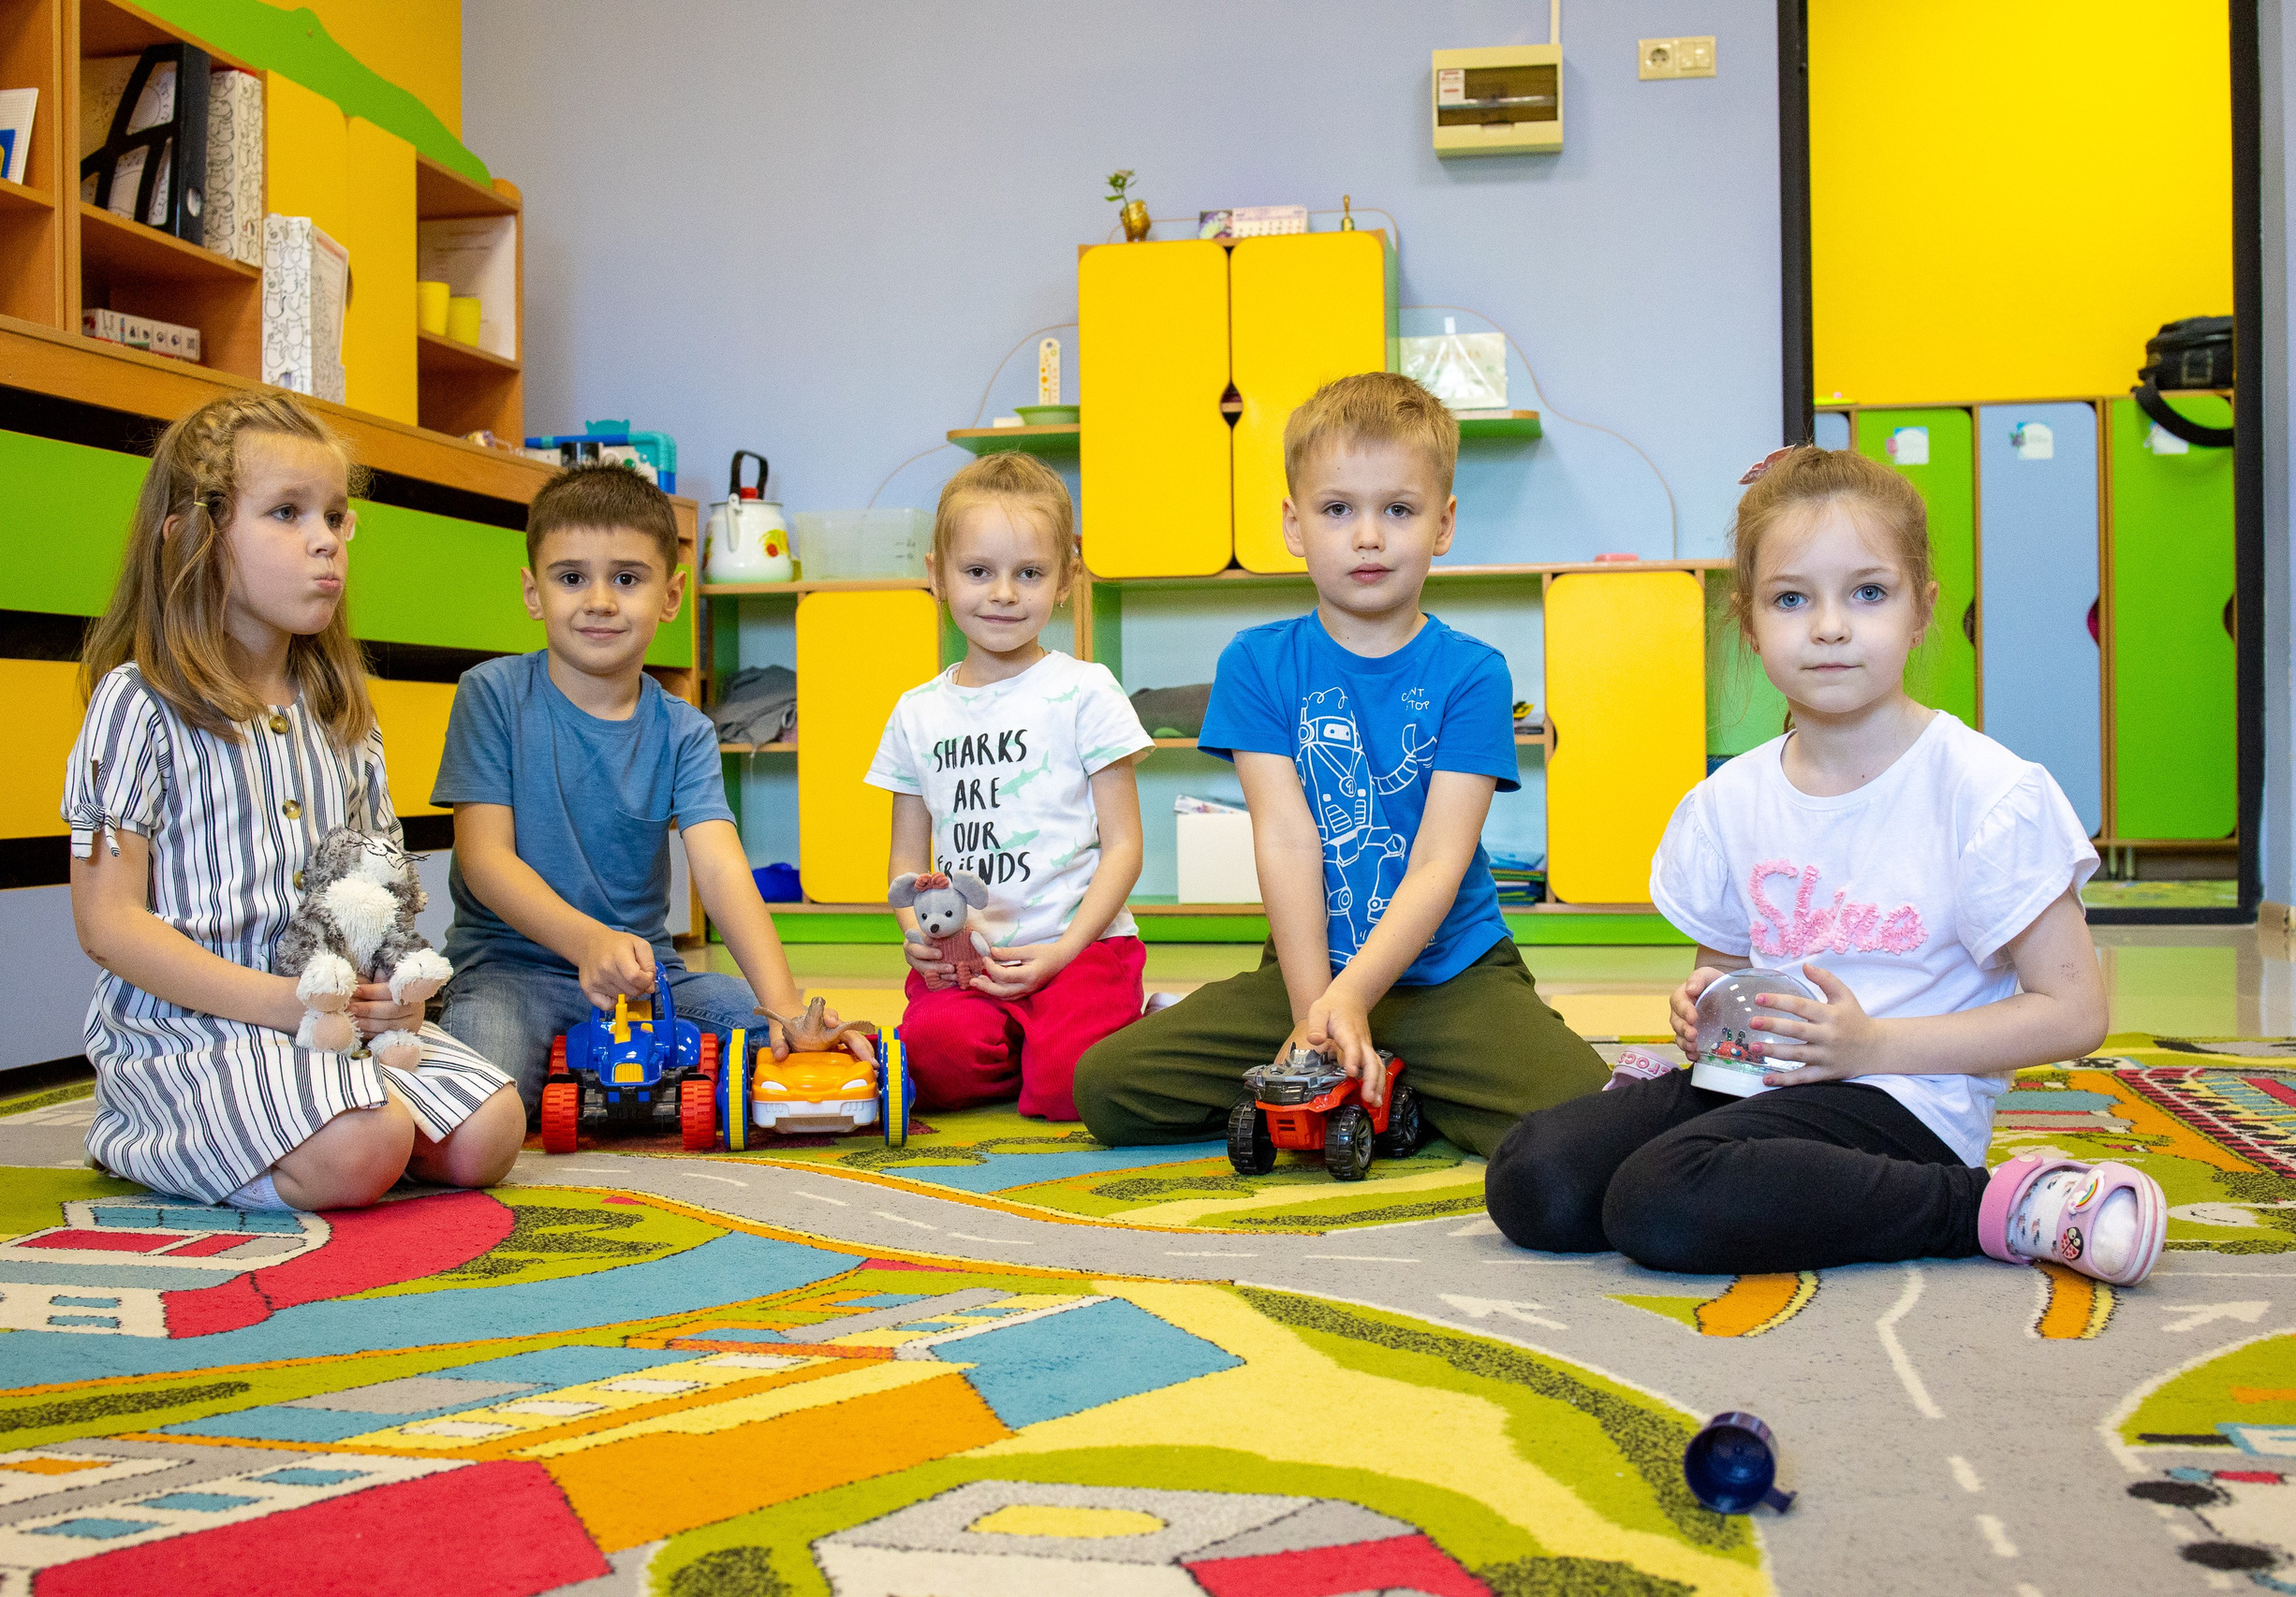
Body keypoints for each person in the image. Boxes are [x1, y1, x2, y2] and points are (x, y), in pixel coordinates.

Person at [1486, 445, 2165, 1286]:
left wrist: (1871, 1042)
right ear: (1749, 621)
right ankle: (1731, 1168)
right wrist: (1704, 1014)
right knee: (1535, 1178)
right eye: (1792, 598)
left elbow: (2074, 1014)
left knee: (1660, 1200)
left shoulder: (1987, 793)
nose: (1830, 626)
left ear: (1922, 611)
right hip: (1761, 1086)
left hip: (1905, 1097)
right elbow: (1726, 988)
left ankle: (1992, 1204)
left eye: (1868, 593)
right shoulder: (1729, 802)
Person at [1074, 372, 1609, 1155]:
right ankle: (1379, 1072)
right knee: (1107, 1089)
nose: (1368, 537)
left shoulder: (1474, 673)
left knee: (1581, 1124)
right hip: (1302, 968)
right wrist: (1313, 1016)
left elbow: (1437, 859)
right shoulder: (1257, 663)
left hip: (1451, 977)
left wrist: (1358, 994)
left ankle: (1401, 1074)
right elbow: (1286, 841)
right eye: (1337, 510)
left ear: (1444, 523)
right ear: (1294, 524)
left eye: (1398, 509)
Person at [66, 391, 522, 1211]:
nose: (327, 542)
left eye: (337, 517)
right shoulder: (139, 704)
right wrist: (282, 1005)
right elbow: (108, 925)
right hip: (191, 1030)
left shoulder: (339, 713)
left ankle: (314, 1122)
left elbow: (380, 893)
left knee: (492, 1131)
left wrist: (393, 996)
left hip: (332, 1019)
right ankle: (144, 1132)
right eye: (287, 513)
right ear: (191, 538)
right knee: (367, 1143)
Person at [434, 464, 860, 1121]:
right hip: (507, 973)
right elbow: (487, 863)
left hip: (648, 983)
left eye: (626, 579)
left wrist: (782, 1005)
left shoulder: (684, 729)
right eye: (572, 577)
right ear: (533, 591)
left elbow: (718, 869)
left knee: (771, 1052)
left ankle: (591, 1092)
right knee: (468, 1109)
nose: (600, 601)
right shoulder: (490, 696)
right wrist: (587, 944)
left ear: (671, 596)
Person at [870, 452, 1151, 1118]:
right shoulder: (917, 712)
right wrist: (920, 938)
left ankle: (1108, 1032)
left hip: (1084, 949)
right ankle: (1023, 1046)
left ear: (1066, 579)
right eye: (978, 571)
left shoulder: (1086, 691)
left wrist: (1063, 951)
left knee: (1070, 1088)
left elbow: (1125, 848)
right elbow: (908, 863)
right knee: (931, 1068)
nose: (1003, 594)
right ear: (936, 575)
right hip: (971, 960)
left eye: (1029, 573)